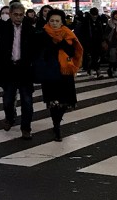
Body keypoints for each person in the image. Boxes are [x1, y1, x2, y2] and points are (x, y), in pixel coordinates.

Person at [0, 2, 39, 139]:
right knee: (8, 99)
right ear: (10, 15)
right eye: (15, 15)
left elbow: (37, 45)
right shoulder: (3, 27)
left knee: (27, 101)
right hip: (8, 69)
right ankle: (10, 118)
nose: (18, 17)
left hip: (24, 69)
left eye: (21, 15)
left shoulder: (29, 29)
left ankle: (26, 128)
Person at [34, 9, 83, 141]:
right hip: (49, 72)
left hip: (65, 73)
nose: (54, 23)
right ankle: (56, 127)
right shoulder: (42, 34)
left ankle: (57, 121)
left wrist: (60, 41)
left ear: (62, 22)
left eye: (57, 21)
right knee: (53, 102)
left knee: (64, 102)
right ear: (48, 21)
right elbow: (39, 51)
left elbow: (72, 51)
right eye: (52, 21)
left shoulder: (67, 34)